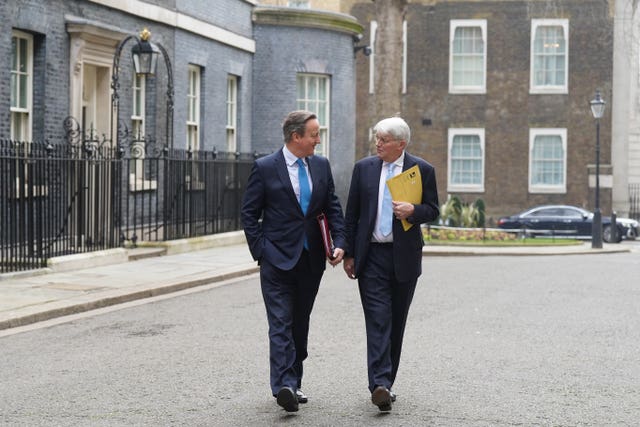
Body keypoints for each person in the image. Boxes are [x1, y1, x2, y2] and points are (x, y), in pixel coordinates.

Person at [241, 110, 346, 413]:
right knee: (280, 323)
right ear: (296, 136)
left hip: (311, 259)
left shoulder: (321, 166)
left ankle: (294, 381)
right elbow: (249, 213)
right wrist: (261, 250)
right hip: (276, 260)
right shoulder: (264, 168)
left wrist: (339, 243)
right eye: (314, 134)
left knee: (299, 324)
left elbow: (332, 208)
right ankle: (283, 385)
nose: (318, 139)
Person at [343, 116, 439, 412]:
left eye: (383, 140)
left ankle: (387, 383)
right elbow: (352, 215)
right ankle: (379, 384)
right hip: (371, 256)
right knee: (377, 320)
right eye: (377, 139)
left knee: (396, 322)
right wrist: (348, 252)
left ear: (401, 144)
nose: (378, 144)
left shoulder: (422, 170)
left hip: (404, 257)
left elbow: (433, 210)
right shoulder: (364, 169)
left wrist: (414, 210)